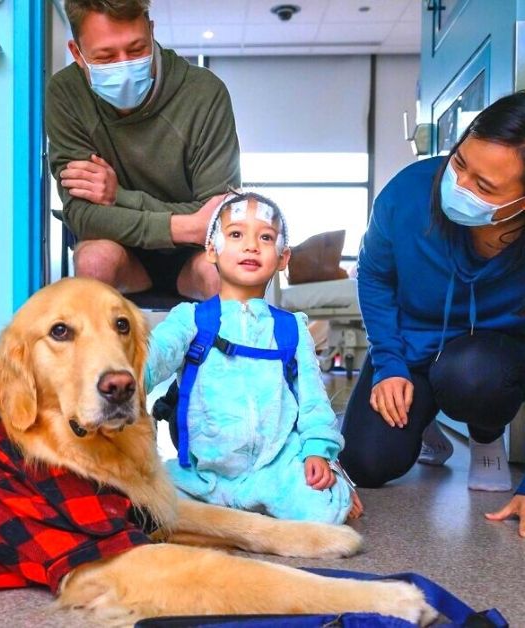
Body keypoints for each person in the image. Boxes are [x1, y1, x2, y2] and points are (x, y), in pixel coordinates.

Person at [338, 93, 525, 529]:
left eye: (484, 187)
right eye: (460, 163)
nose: (458, 187)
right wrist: (389, 364)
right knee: (366, 462)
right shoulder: (408, 193)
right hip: (412, 347)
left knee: (472, 375)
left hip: (489, 362)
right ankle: (425, 427)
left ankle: (485, 437)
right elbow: (375, 276)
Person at [144, 192, 356, 524]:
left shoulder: (292, 329)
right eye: (236, 234)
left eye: (266, 237)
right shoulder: (191, 319)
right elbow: (147, 362)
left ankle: (337, 480)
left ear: (283, 257)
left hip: (274, 470)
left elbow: (315, 402)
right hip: (201, 475)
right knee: (144, 505)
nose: (251, 246)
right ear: (212, 249)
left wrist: (318, 451)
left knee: (323, 511)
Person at [46, 0, 239, 300]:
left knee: (221, 274)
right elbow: (82, 215)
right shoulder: (66, 94)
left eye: (136, 50)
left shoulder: (205, 93)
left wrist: (117, 197)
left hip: (194, 256)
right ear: (77, 54)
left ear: (151, 31)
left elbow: (218, 219)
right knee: (94, 261)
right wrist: (186, 226)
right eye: (106, 57)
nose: (124, 67)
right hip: (121, 250)